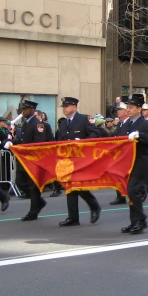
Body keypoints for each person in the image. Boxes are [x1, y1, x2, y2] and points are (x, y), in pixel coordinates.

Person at [56, 96, 102, 226]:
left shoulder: (84, 119)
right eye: (63, 106)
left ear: (74, 107)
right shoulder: (64, 123)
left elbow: (95, 134)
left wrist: (82, 142)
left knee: (77, 186)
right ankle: (74, 217)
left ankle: (92, 207)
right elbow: (60, 140)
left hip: (82, 159)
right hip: (68, 160)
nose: (64, 108)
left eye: (66, 106)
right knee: (71, 187)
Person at [117, 94, 148, 234]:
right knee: (131, 192)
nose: (127, 110)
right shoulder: (125, 124)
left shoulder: (146, 124)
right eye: (127, 107)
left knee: (132, 191)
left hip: (140, 162)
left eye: (131, 107)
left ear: (139, 109)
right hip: (127, 163)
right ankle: (135, 222)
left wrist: (140, 136)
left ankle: (141, 220)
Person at [12, 100, 49, 222]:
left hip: (33, 159)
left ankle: (33, 212)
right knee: (19, 181)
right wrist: (12, 143)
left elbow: (39, 142)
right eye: (22, 108)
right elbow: (22, 139)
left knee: (33, 187)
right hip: (24, 159)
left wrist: (25, 149)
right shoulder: (26, 123)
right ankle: (39, 202)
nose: (23, 111)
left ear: (32, 109)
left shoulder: (37, 124)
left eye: (25, 109)